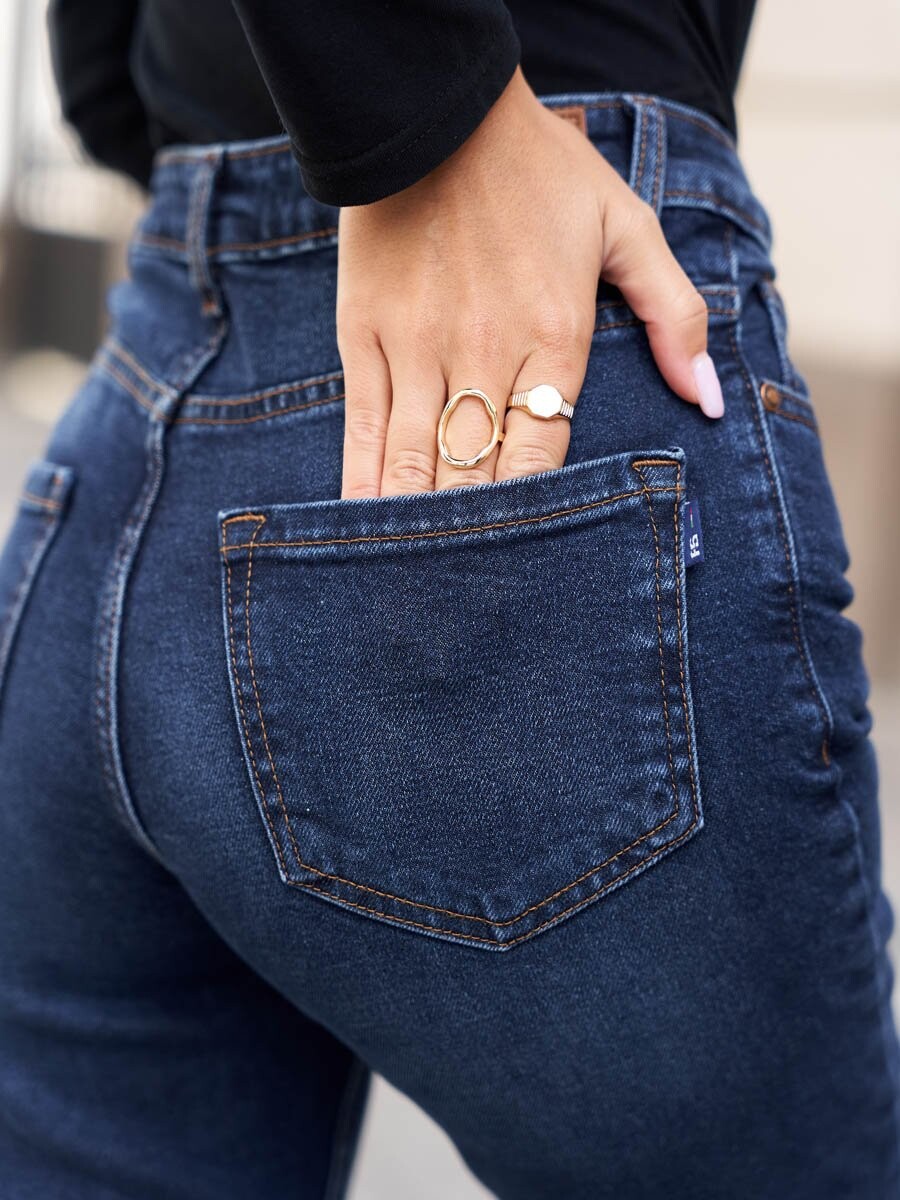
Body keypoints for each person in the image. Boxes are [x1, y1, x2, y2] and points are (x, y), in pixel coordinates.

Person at [0, 2, 897, 1196]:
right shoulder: (445, 124)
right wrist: (434, 109)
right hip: (514, 272)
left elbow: (108, 88)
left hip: (154, 357)